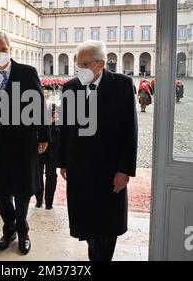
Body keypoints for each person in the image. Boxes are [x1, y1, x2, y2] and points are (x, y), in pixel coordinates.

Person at [58, 40, 138, 261]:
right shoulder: (70, 87)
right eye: (78, 64)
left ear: (101, 63)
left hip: (110, 171)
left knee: (107, 225)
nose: (80, 68)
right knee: (86, 223)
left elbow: (129, 131)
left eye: (85, 64)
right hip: (80, 169)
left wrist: (125, 170)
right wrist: (63, 161)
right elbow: (65, 128)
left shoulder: (122, 85)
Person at [0, 31, 50, 255]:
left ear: (10, 49)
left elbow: (38, 105)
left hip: (23, 142)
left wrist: (44, 136)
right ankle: (10, 228)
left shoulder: (27, 72)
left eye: (3, 49)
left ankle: (23, 230)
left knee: (23, 189)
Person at [35, 105, 60, 210]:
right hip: (39, 139)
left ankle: (49, 203)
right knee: (38, 172)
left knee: (51, 174)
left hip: (55, 140)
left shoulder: (62, 93)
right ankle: (39, 200)